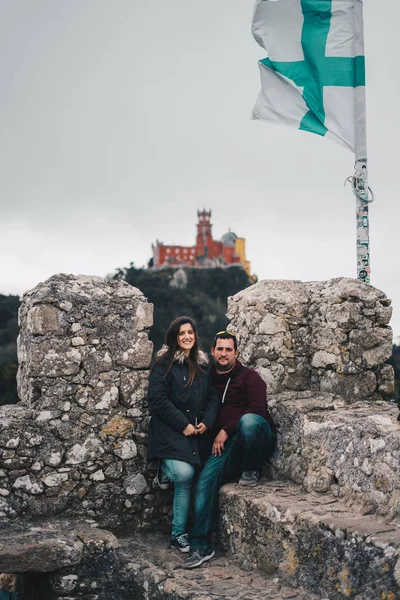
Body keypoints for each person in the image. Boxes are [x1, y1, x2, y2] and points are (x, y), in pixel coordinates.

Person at [184, 330, 276, 569]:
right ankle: (200, 545)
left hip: (251, 439)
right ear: (212, 352)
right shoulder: (206, 377)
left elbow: (258, 410)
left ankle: (251, 469)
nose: (224, 353)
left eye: (229, 349)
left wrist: (227, 429)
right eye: (220, 349)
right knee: (204, 481)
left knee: (249, 422)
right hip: (221, 446)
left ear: (236, 353)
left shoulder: (250, 377)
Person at [147, 316, 220, 553]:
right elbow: (157, 400)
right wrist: (183, 425)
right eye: (181, 333)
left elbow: (212, 397)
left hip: (196, 434)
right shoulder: (164, 364)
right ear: (174, 337)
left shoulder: (201, 365)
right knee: (185, 473)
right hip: (170, 432)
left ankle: (182, 534)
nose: (187, 337)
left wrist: (207, 423)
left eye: (190, 332)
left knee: (196, 474)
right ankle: (178, 533)